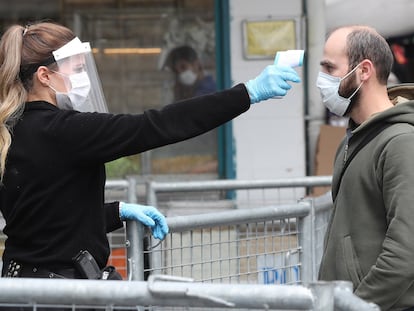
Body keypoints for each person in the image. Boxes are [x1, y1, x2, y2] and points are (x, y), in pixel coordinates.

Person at [0, 21, 300, 280]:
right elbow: (155, 125)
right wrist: (248, 93)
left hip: (22, 284)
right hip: (61, 293)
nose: (84, 79)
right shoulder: (64, 130)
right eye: (77, 70)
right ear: (44, 75)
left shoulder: (11, 130)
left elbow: (41, 219)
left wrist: (114, 212)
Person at [316, 25, 414, 310]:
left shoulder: (400, 142)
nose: (322, 80)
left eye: (329, 68)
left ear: (364, 70)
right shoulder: (356, 137)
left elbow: (406, 249)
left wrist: (357, 304)